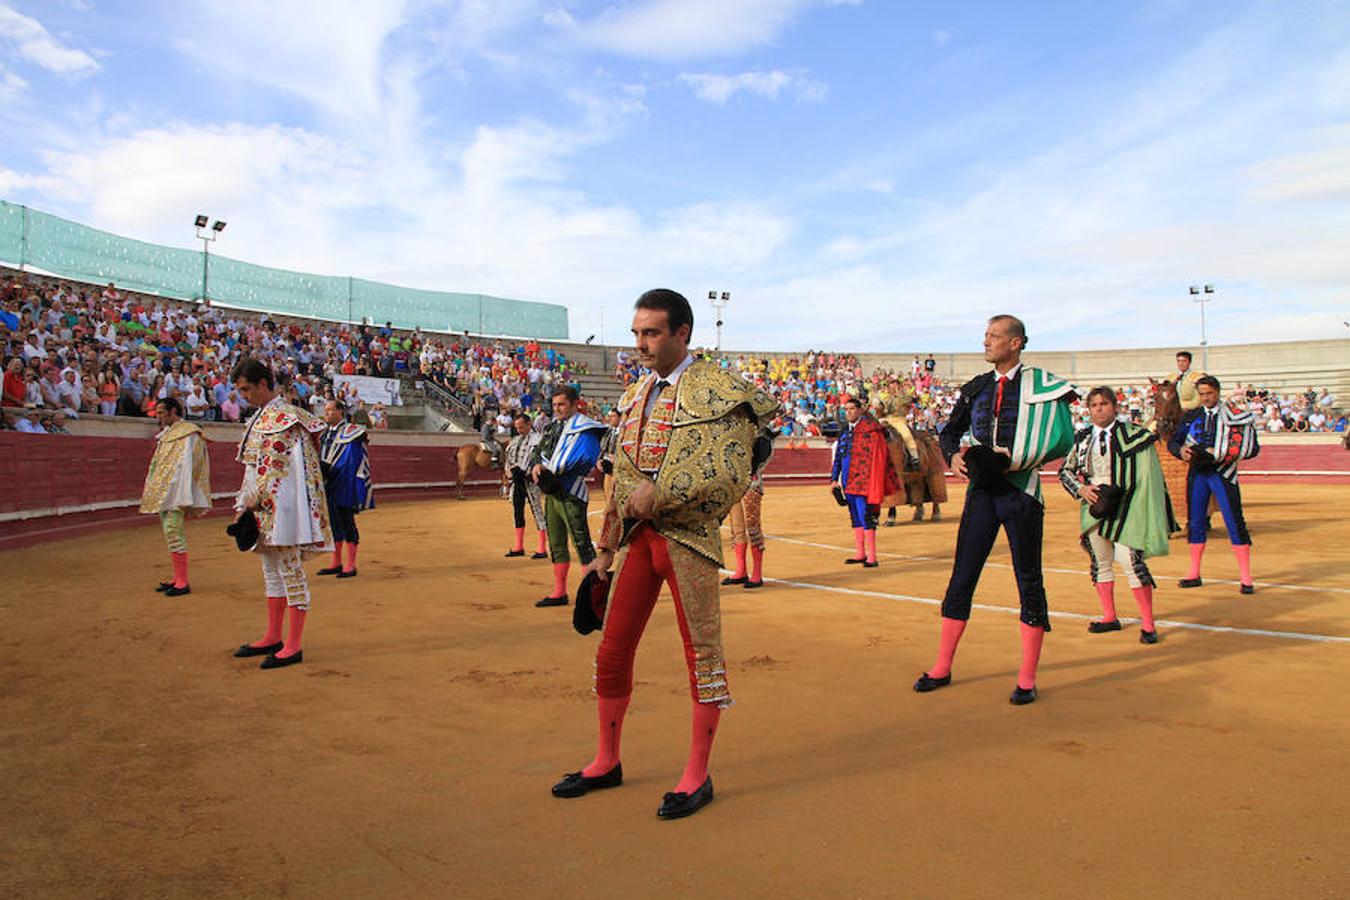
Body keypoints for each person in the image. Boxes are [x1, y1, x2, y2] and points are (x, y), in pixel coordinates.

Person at [550, 288, 777, 819]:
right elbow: (621, 478)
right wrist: (604, 550)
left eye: (651, 333)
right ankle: (607, 760)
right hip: (637, 541)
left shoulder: (722, 390)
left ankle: (697, 774)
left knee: (702, 655)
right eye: (636, 334)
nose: (641, 344)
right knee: (611, 650)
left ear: (682, 334)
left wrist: (665, 493)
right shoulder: (634, 396)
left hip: (689, 539)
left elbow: (730, 468)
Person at [914, 315, 1078, 705]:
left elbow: (1062, 438)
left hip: (1022, 491)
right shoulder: (976, 388)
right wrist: (952, 456)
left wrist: (1017, 459)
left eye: (994, 336)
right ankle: (942, 666)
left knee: (1028, 578)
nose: (986, 341)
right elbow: (949, 431)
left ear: (1016, 343)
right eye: (986, 335)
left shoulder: (1042, 385)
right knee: (963, 575)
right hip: (983, 492)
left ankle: (1026, 677)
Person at [229, 358, 332, 670]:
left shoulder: (288, 418)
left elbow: (293, 474)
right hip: (264, 509)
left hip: (284, 511)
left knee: (290, 573)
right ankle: (273, 635)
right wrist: (243, 504)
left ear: (263, 384)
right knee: (271, 572)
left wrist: (283, 512)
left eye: (246, 389)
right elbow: (252, 470)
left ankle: (294, 645)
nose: (243, 395)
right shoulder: (259, 419)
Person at [1059, 387, 1175, 644]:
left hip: (1128, 505)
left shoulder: (1135, 436)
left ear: (1115, 407)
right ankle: (1109, 615)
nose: (1099, 408)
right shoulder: (1083, 439)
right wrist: (1082, 489)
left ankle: (1147, 622)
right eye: (1095, 405)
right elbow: (1064, 472)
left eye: (1104, 404)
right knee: (1100, 561)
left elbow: (1148, 477)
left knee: (1131, 560)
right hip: (1094, 506)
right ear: (1088, 410)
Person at [1167, 375, 1260, 593]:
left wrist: (1222, 454)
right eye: (1202, 394)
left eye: (1209, 393)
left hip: (1222, 473)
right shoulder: (1192, 416)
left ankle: (1246, 577)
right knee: (1196, 521)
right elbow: (1174, 441)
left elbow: (1253, 448)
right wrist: (1180, 451)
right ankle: (1194, 573)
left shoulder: (1234, 416)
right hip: (1198, 473)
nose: (1206, 398)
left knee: (1234, 521)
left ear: (1217, 392)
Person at [530, 385, 606, 607]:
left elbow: (585, 458)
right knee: (557, 542)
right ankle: (560, 591)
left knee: (582, 543)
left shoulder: (586, 427)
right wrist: (536, 465)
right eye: (554, 405)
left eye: (562, 404)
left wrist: (553, 469)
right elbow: (539, 451)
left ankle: (592, 597)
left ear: (575, 404)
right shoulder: (554, 427)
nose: (557, 409)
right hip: (552, 492)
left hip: (571, 491)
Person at [138, 397, 212, 596]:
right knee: (170, 533)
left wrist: (183, 493)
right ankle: (177, 578)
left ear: (173, 412)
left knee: (173, 531)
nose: (159, 416)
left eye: (162, 412)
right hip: (165, 491)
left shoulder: (189, 434)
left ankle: (182, 582)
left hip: (177, 491)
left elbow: (191, 466)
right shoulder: (168, 434)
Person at [831, 396, 898, 567]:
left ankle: (872, 557)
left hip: (863, 482)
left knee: (866, 516)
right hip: (848, 482)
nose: (849, 412)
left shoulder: (871, 430)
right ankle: (860, 553)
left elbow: (879, 457)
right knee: (854, 516)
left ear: (860, 410)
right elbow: (839, 458)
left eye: (852, 409)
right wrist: (834, 479)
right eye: (846, 410)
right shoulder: (845, 432)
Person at [317, 399, 374, 579]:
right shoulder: (325, 434)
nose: (327, 414)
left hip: (344, 484)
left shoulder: (352, 432)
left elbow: (353, 459)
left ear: (340, 411)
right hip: (328, 484)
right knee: (334, 523)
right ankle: (336, 562)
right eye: (325, 411)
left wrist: (332, 471)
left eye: (330, 410)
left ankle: (351, 564)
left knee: (347, 522)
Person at [722, 423, 776, 589]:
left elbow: (765, 452)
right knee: (737, 528)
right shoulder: (733, 430)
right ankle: (741, 571)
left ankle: (757, 574)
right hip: (734, 483)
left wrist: (753, 472)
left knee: (752, 527)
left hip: (751, 484)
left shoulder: (760, 432)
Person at [502, 412, 549, 560]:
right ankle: (519, 546)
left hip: (530, 481)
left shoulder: (538, 439)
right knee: (517, 511)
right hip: (517, 481)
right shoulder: (515, 440)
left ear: (529, 424)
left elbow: (544, 460)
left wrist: (529, 472)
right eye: (517, 427)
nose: (519, 430)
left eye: (522, 427)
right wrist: (509, 471)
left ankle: (542, 548)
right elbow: (508, 459)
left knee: (537, 512)